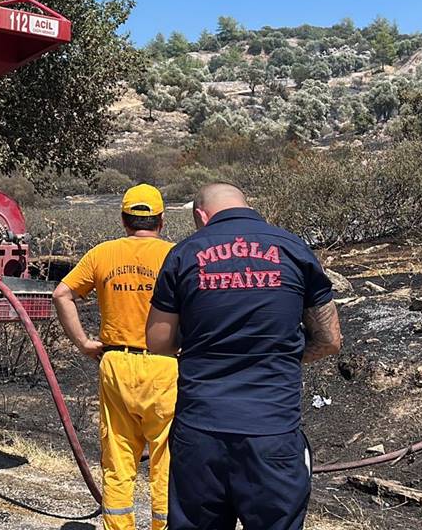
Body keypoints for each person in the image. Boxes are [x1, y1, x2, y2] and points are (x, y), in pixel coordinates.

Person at [145, 183, 343, 530]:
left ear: (199, 215)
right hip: (272, 432)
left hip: (201, 431)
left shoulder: (184, 253)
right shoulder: (293, 248)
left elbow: (158, 342)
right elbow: (329, 340)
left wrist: (204, 342)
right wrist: (278, 357)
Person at [53, 183, 178, 530]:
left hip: (116, 364)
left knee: (119, 459)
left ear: (124, 220)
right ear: (161, 221)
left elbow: (62, 294)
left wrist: (83, 342)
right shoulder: (176, 255)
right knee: (165, 461)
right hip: (166, 367)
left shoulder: (102, 254)